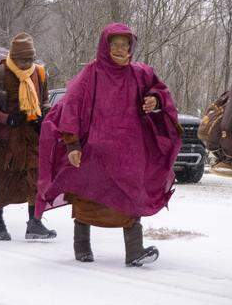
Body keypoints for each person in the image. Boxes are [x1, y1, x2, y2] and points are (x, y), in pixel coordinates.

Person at [37, 22, 182, 266]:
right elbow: (70, 107)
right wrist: (72, 145)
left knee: (131, 194)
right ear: (105, 47)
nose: (119, 49)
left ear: (130, 49)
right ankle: (82, 247)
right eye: (114, 45)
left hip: (129, 151)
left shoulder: (141, 74)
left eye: (124, 45)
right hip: (94, 151)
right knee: (87, 196)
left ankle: (134, 251)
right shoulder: (90, 74)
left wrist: (154, 100)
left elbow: (161, 93)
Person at [0, 33, 56, 241]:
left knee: (34, 178)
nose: (26, 63)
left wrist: (42, 115)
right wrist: (6, 118)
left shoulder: (40, 74)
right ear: (13, 56)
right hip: (3, 140)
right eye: (22, 59)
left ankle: (34, 223)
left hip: (29, 137)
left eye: (30, 59)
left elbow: (44, 100)